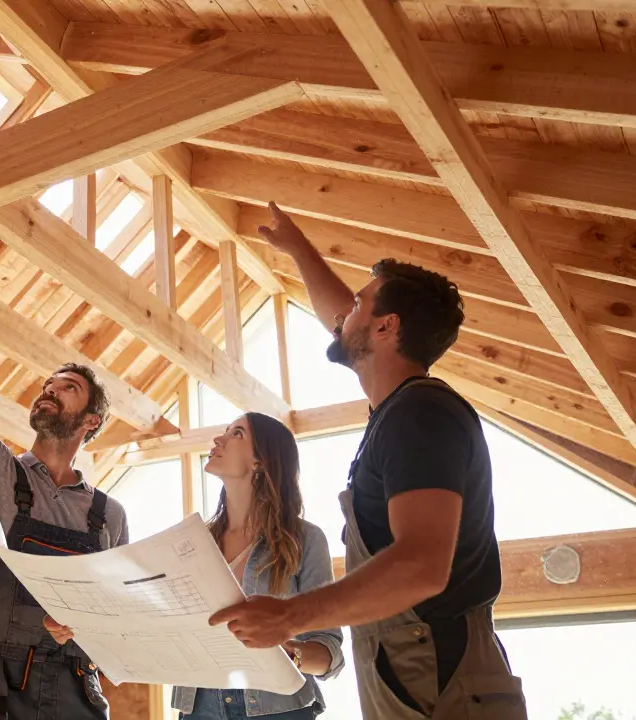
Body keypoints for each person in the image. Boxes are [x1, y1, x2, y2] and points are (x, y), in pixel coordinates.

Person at [210, 203, 526, 719]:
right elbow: (344, 319)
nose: (343, 316)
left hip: (440, 676)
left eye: (359, 304)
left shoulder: (420, 414)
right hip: (410, 670)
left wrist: (289, 617)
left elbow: (422, 565)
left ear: (386, 328)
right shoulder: (398, 412)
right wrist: (298, 250)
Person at [0, 211, 129, 720]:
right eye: (47, 386)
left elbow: (118, 626)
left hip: (77, 699)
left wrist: (83, 626)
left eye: (68, 388)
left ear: (91, 422)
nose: (50, 390)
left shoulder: (109, 517)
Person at [173, 412, 344, 719]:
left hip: (279, 709)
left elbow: (329, 650)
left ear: (260, 461)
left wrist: (292, 652)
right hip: (199, 708)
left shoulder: (305, 539)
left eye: (236, 433)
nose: (218, 439)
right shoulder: (194, 542)